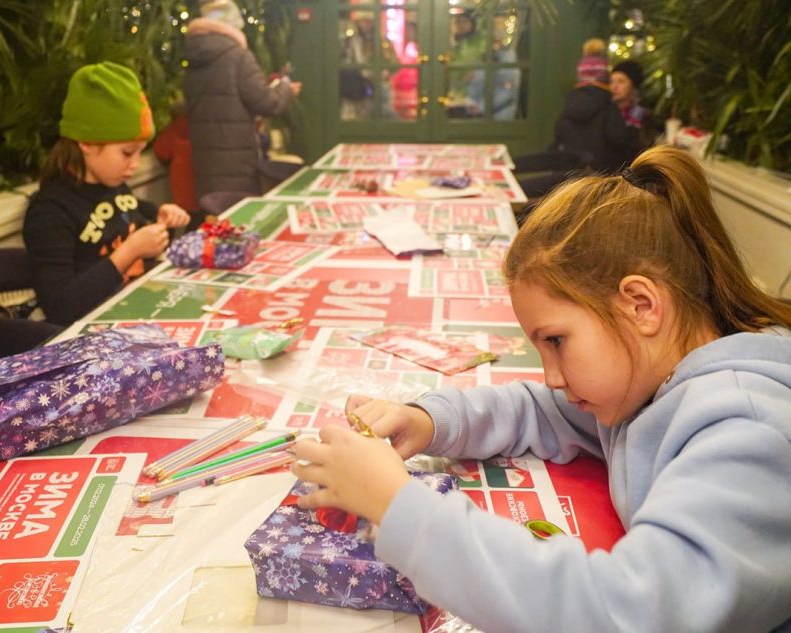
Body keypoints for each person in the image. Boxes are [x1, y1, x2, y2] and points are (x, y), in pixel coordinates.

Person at [292, 146, 791, 632]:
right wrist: (428, 421)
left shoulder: (746, 432)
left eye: (556, 341)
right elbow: (538, 408)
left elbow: (626, 614)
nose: (551, 375)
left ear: (641, 305)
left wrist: (396, 504)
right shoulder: (646, 385)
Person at [23, 62, 190, 326]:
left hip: (136, 309)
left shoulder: (112, 183)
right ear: (87, 143)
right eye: (127, 152)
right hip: (90, 335)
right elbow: (59, 307)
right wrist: (131, 250)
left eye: (139, 151)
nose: (135, 164)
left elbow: (130, 207)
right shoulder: (49, 212)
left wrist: (159, 212)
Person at [183, 0, 300, 199]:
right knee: (240, 222)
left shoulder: (193, 59)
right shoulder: (238, 57)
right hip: (237, 164)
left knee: (215, 219)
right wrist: (286, 88)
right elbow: (269, 103)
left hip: (205, 165)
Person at [514, 38, 637, 199]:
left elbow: (558, 140)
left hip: (566, 179)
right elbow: (619, 140)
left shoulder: (569, 106)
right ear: (604, 80)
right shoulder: (609, 108)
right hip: (597, 186)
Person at [152, 96, 198, 218]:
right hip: (202, 189)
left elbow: (161, 151)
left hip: (182, 193)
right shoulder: (201, 129)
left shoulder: (172, 131)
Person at [611, 60, 656, 153]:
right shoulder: (605, 114)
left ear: (633, 86)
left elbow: (648, 149)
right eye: (611, 81)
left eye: (621, 81)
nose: (614, 86)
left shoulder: (643, 116)